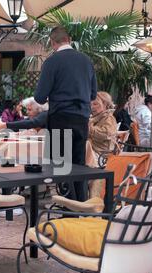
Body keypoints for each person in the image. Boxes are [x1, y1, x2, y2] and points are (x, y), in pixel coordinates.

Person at [34, 26, 97, 201]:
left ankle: (67, 208)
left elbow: (39, 97)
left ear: (52, 42)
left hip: (60, 118)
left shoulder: (52, 62)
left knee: (59, 167)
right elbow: (93, 94)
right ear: (69, 39)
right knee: (78, 166)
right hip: (81, 119)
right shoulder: (86, 61)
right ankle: (81, 207)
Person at [88, 92, 118, 163]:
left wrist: (88, 127)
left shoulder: (109, 118)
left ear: (105, 105)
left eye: (95, 104)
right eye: (91, 104)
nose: (92, 107)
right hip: (93, 152)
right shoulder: (96, 118)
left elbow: (106, 133)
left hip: (100, 156)